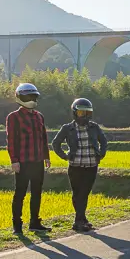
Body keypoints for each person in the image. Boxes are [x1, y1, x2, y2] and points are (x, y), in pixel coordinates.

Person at [52, 98, 108, 232]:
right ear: (75, 113)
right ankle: (80, 220)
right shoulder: (67, 128)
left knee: (84, 193)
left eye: (87, 113)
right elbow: (55, 143)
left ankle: (80, 220)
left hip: (91, 166)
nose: (85, 116)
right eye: (82, 113)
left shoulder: (94, 127)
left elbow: (104, 141)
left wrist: (101, 154)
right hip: (75, 166)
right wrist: (64, 156)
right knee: (78, 194)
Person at [6, 83, 51, 235]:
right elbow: (11, 140)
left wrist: (46, 157)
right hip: (23, 162)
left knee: (37, 192)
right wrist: (14, 160)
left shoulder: (39, 116)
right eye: (28, 96)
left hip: (38, 160)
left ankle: (35, 222)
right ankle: (17, 225)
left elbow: (43, 138)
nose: (31, 99)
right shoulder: (13, 117)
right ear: (19, 98)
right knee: (20, 193)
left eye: (33, 96)